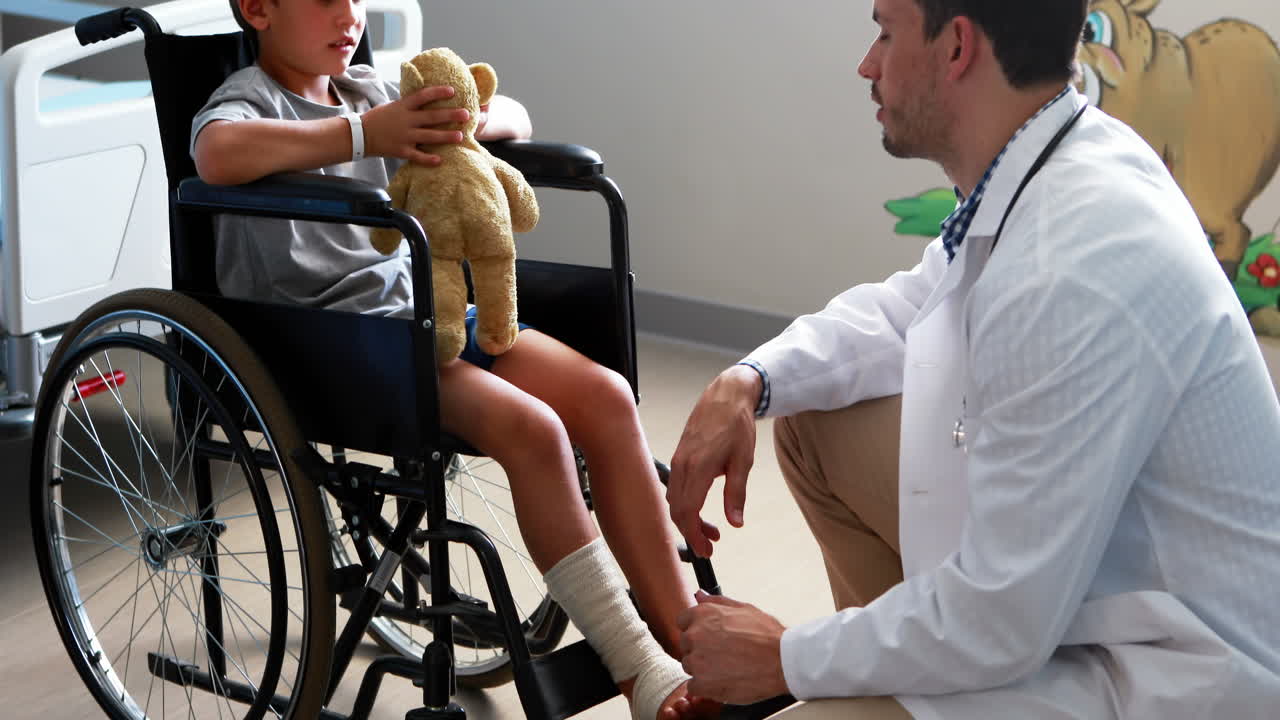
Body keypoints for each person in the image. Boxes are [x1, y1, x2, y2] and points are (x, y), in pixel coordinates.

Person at [666, 0, 1280, 718]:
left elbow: (1001, 617)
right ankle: (892, 679)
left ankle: (892, 685)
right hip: (1077, 596)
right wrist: (750, 380)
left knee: (864, 671)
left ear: (956, 47)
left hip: (1176, 676)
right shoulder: (1058, 155)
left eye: (885, 35)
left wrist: (786, 659)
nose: (867, 65)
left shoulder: (1070, 268)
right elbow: (911, 309)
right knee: (812, 421)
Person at [192, 2, 714, 719]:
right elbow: (215, 156)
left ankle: (689, 636)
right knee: (536, 432)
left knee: (605, 396)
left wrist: (467, 117)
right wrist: (361, 136)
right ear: (259, 9)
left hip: (425, 315)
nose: (349, 15)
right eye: (324, 1)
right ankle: (636, 666)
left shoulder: (373, 89)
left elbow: (517, 117)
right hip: (335, 339)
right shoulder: (249, 98)